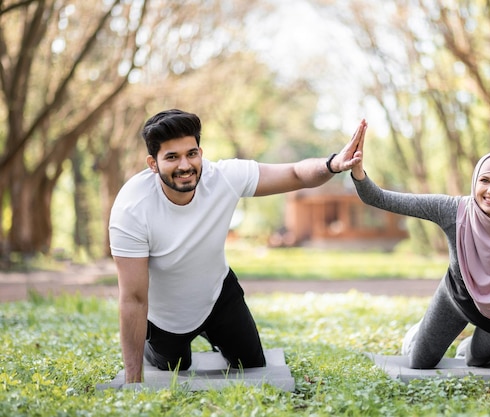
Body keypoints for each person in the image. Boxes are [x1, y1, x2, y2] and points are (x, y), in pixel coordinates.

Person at [109, 109, 366, 383]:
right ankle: (155, 348)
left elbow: (294, 173)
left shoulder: (223, 177)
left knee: (252, 364)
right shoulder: (132, 208)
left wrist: (332, 164)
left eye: (192, 153)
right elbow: (133, 299)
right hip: (166, 317)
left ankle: (218, 335)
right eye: (172, 157)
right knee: (176, 367)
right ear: (153, 163)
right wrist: (133, 382)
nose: (185, 165)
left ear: (200, 152)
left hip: (218, 297)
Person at [350, 135, 490, 379]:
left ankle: (470, 348)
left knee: (478, 360)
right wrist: (358, 173)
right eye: (484, 180)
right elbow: (379, 198)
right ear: (475, 181)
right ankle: (417, 334)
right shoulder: (453, 210)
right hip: (456, 299)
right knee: (419, 362)